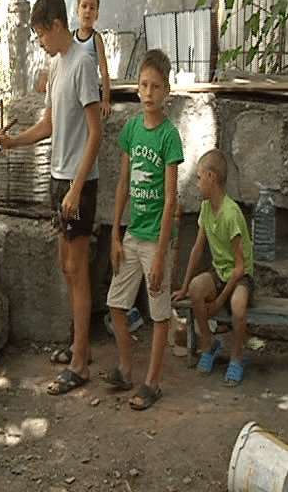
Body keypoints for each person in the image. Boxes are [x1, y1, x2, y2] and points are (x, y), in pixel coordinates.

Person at [0, 0, 102, 396]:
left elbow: (96, 133)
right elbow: (49, 126)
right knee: (66, 266)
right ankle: (80, 346)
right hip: (59, 180)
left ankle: (80, 363)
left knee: (78, 269)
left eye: (41, 33)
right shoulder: (57, 66)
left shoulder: (83, 66)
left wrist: (75, 188)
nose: (39, 41)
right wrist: (11, 142)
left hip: (79, 184)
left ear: (57, 26)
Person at [101, 49, 183, 410]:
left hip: (156, 240)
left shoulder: (169, 136)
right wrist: (116, 235)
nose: (148, 93)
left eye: (156, 86)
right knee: (116, 304)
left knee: (159, 312)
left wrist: (162, 255)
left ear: (166, 91)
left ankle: (152, 382)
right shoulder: (132, 129)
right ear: (137, 88)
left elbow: (170, 200)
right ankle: (126, 369)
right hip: (133, 234)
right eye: (143, 85)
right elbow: (122, 185)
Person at [171, 149, 255, 387]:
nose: (197, 184)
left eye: (199, 178)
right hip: (219, 272)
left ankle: (237, 358)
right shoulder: (207, 208)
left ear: (211, 177)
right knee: (198, 288)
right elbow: (198, 249)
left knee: (238, 307)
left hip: (240, 277)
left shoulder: (231, 213)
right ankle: (208, 344)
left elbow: (240, 268)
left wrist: (219, 302)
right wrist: (185, 287)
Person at [73, 0, 111, 118]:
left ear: (97, 15)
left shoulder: (96, 39)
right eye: (84, 6)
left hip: (90, 94)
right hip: (73, 93)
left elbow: (104, 72)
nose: (87, 11)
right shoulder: (71, 38)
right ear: (77, 10)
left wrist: (105, 100)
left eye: (92, 8)